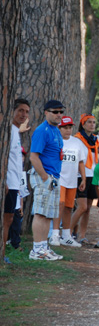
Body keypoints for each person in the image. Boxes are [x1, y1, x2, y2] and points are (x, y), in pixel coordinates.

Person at [28, 100, 66, 261]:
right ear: (46, 112)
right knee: (40, 213)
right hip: (45, 176)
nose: (58, 115)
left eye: (60, 112)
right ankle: (36, 249)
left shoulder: (56, 130)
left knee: (48, 214)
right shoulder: (42, 130)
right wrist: (45, 177)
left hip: (54, 177)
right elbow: (33, 156)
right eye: (54, 111)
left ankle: (44, 247)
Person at [51, 116, 86, 248]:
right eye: (65, 127)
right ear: (59, 128)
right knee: (60, 203)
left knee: (69, 207)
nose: (68, 130)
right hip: (59, 178)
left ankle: (66, 235)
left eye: (70, 127)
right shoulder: (56, 141)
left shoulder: (77, 143)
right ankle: (54, 234)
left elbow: (81, 162)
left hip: (72, 179)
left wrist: (83, 178)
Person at [4, 98, 30, 262]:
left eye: (26, 111)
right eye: (20, 110)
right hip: (8, 183)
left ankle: (3, 252)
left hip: (15, 182)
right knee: (7, 218)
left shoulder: (15, 132)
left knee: (10, 218)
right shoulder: (7, 131)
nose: (23, 114)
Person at [71, 113, 99, 244]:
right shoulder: (77, 139)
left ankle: (82, 235)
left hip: (93, 175)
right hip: (81, 175)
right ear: (83, 124)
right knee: (81, 207)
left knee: (88, 208)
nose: (92, 124)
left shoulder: (95, 139)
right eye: (89, 122)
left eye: (94, 122)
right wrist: (81, 176)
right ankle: (67, 232)